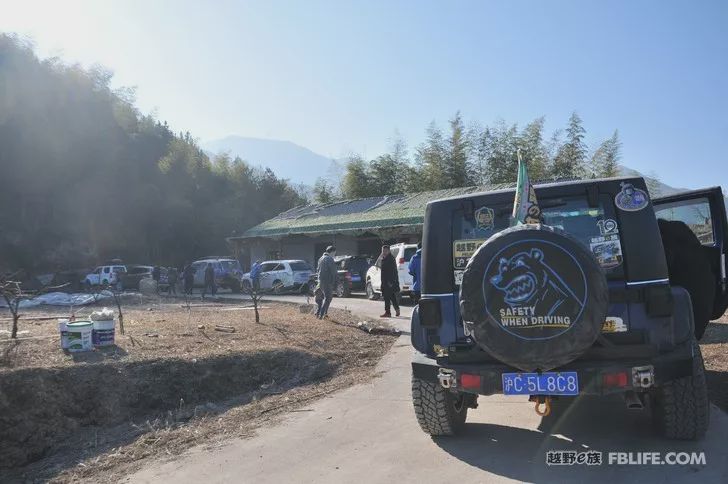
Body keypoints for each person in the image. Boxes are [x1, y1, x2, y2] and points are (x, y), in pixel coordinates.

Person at [378, 245, 400, 317]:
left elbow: (393, 271)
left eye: (385, 251)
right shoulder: (384, 258)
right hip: (385, 281)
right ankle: (397, 309)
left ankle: (388, 312)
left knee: (387, 297)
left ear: (388, 251)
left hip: (389, 281)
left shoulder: (390, 259)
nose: (383, 252)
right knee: (392, 296)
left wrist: (391, 281)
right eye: (382, 251)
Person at [315, 246, 337, 319]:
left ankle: (319, 313)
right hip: (327, 281)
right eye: (334, 253)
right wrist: (334, 281)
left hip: (320, 281)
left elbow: (317, 270)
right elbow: (333, 271)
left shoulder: (320, 258)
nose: (334, 255)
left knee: (322, 298)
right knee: (328, 298)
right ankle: (322, 314)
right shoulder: (329, 259)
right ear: (332, 252)